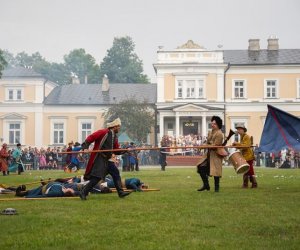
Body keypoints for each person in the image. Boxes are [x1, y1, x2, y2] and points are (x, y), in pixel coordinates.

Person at [79, 118, 131, 200]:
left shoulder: (115, 137)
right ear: (114, 127)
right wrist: (85, 147)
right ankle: (83, 192)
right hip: (99, 158)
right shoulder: (103, 132)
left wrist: (125, 150)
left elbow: (116, 150)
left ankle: (120, 192)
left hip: (108, 159)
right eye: (118, 126)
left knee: (116, 173)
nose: (119, 128)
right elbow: (91, 137)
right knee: (96, 178)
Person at [197, 116, 225, 192]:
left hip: (216, 154)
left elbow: (215, 145)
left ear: (218, 125)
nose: (212, 125)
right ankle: (206, 185)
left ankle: (216, 189)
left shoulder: (219, 134)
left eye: (214, 124)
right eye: (212, 123)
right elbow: (208, 142)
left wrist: (205, 146)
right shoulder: (210, 132)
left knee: (216, 172)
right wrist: (203, 146)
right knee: (200, 166)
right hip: (209, 154)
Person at [232, 124, 258, 188]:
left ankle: (250, 184)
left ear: (243, 130)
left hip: (248, 156)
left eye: (240, 129)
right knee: (247, 170)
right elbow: (242, 146)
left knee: (249, 170)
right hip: (245, 156)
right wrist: (235, 145)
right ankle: (249, 184)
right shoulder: (242, 137)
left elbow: (245, 146)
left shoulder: (246, 136)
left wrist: (237, 144)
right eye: (238, 129)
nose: (238, 130)